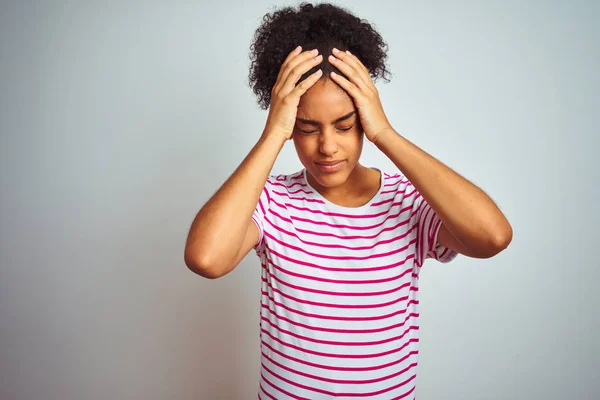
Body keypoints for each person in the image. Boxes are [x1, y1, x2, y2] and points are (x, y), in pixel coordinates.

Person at [184, 2, 512, 398]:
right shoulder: (272, 202)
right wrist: (272, 135)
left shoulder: (406, 201)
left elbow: (492, 236)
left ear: (364, 118)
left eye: (345, 125)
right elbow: (206, 258)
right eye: (306, 128)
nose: (327, 146)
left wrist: (386, 133)